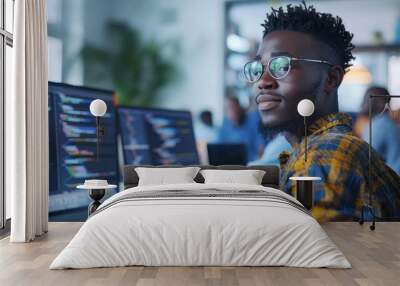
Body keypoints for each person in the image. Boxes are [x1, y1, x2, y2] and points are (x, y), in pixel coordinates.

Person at [243, 1, 400, 221]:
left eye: (281, 65)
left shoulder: (326, 153)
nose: (262, 81)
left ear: (331, 79)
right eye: (257, 68)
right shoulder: (315, 148)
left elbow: (310, 252)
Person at [360, 86, 400, 174]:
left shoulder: (379, 125)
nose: (362, 104)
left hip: (392, 182)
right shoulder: (386, 122)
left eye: (366, 99)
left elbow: (364, 159)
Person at [218, 95, 264, 162]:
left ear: (240, 107)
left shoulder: (253, 119)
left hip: (251, 164)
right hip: (231, 164)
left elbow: (261, 147)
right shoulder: (225, 123)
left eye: (232, 107)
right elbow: (219, 148)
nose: (231, 111)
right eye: (227, 109)